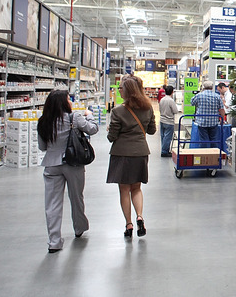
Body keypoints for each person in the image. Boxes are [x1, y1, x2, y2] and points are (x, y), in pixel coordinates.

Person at [37, 89, 99, 253]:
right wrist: (90, 114)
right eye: (68, 99)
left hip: (51, 165)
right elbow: (93, 129)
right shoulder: (74, 117)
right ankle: (79, 228)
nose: (70, 101)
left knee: (52, 204)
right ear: (64, 102)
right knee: (76, 197)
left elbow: (42, 147)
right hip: (73, 164)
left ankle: (54, 242)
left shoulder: (43, 121)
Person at [106, 76, 157, 238]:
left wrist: (110, 130)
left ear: (126, 91)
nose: (119, 90)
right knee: (137, 188)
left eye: (121, 88)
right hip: (141, 152)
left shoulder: (117, 111)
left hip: (121, 154)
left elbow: (111, 137)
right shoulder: (148, 109)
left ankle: (129, 224)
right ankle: (140, 216)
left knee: (124, 189)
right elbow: (151, 130)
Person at [190, 80, 225, 148]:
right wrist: (222, 119)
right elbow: (221, 109)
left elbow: (192, 103)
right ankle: (214, 155)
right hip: (214, 121)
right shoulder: (217, 96)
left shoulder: (199, 95)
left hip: (202, 122)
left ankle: (205, 155)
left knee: (203, 140)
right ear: (212, 87)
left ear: (203, 87)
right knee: (214, 140)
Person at [159, 85, 179, 157]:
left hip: (162, 120)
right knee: (167, 137)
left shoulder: (162, 99)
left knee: (163, 136)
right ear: (172, 92)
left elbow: (160, 109)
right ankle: (164, 152)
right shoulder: (171, 101)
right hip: (169, 121)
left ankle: (163, 149)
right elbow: (175, 111)